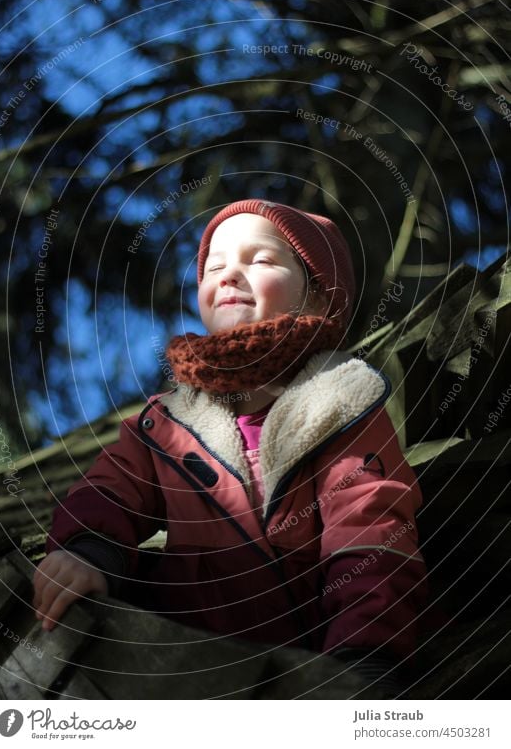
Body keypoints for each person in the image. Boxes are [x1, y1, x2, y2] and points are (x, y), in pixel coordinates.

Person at [33, 198, 427, 693]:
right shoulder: (168, 419)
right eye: (214, 266)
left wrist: (365, 656)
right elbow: (112, 489)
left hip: (297, 670)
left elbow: (370, 529)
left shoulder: (342, 402)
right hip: (167, 663)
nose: (230, 274)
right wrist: (88, 553)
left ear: (321, 298)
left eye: (260, 260)